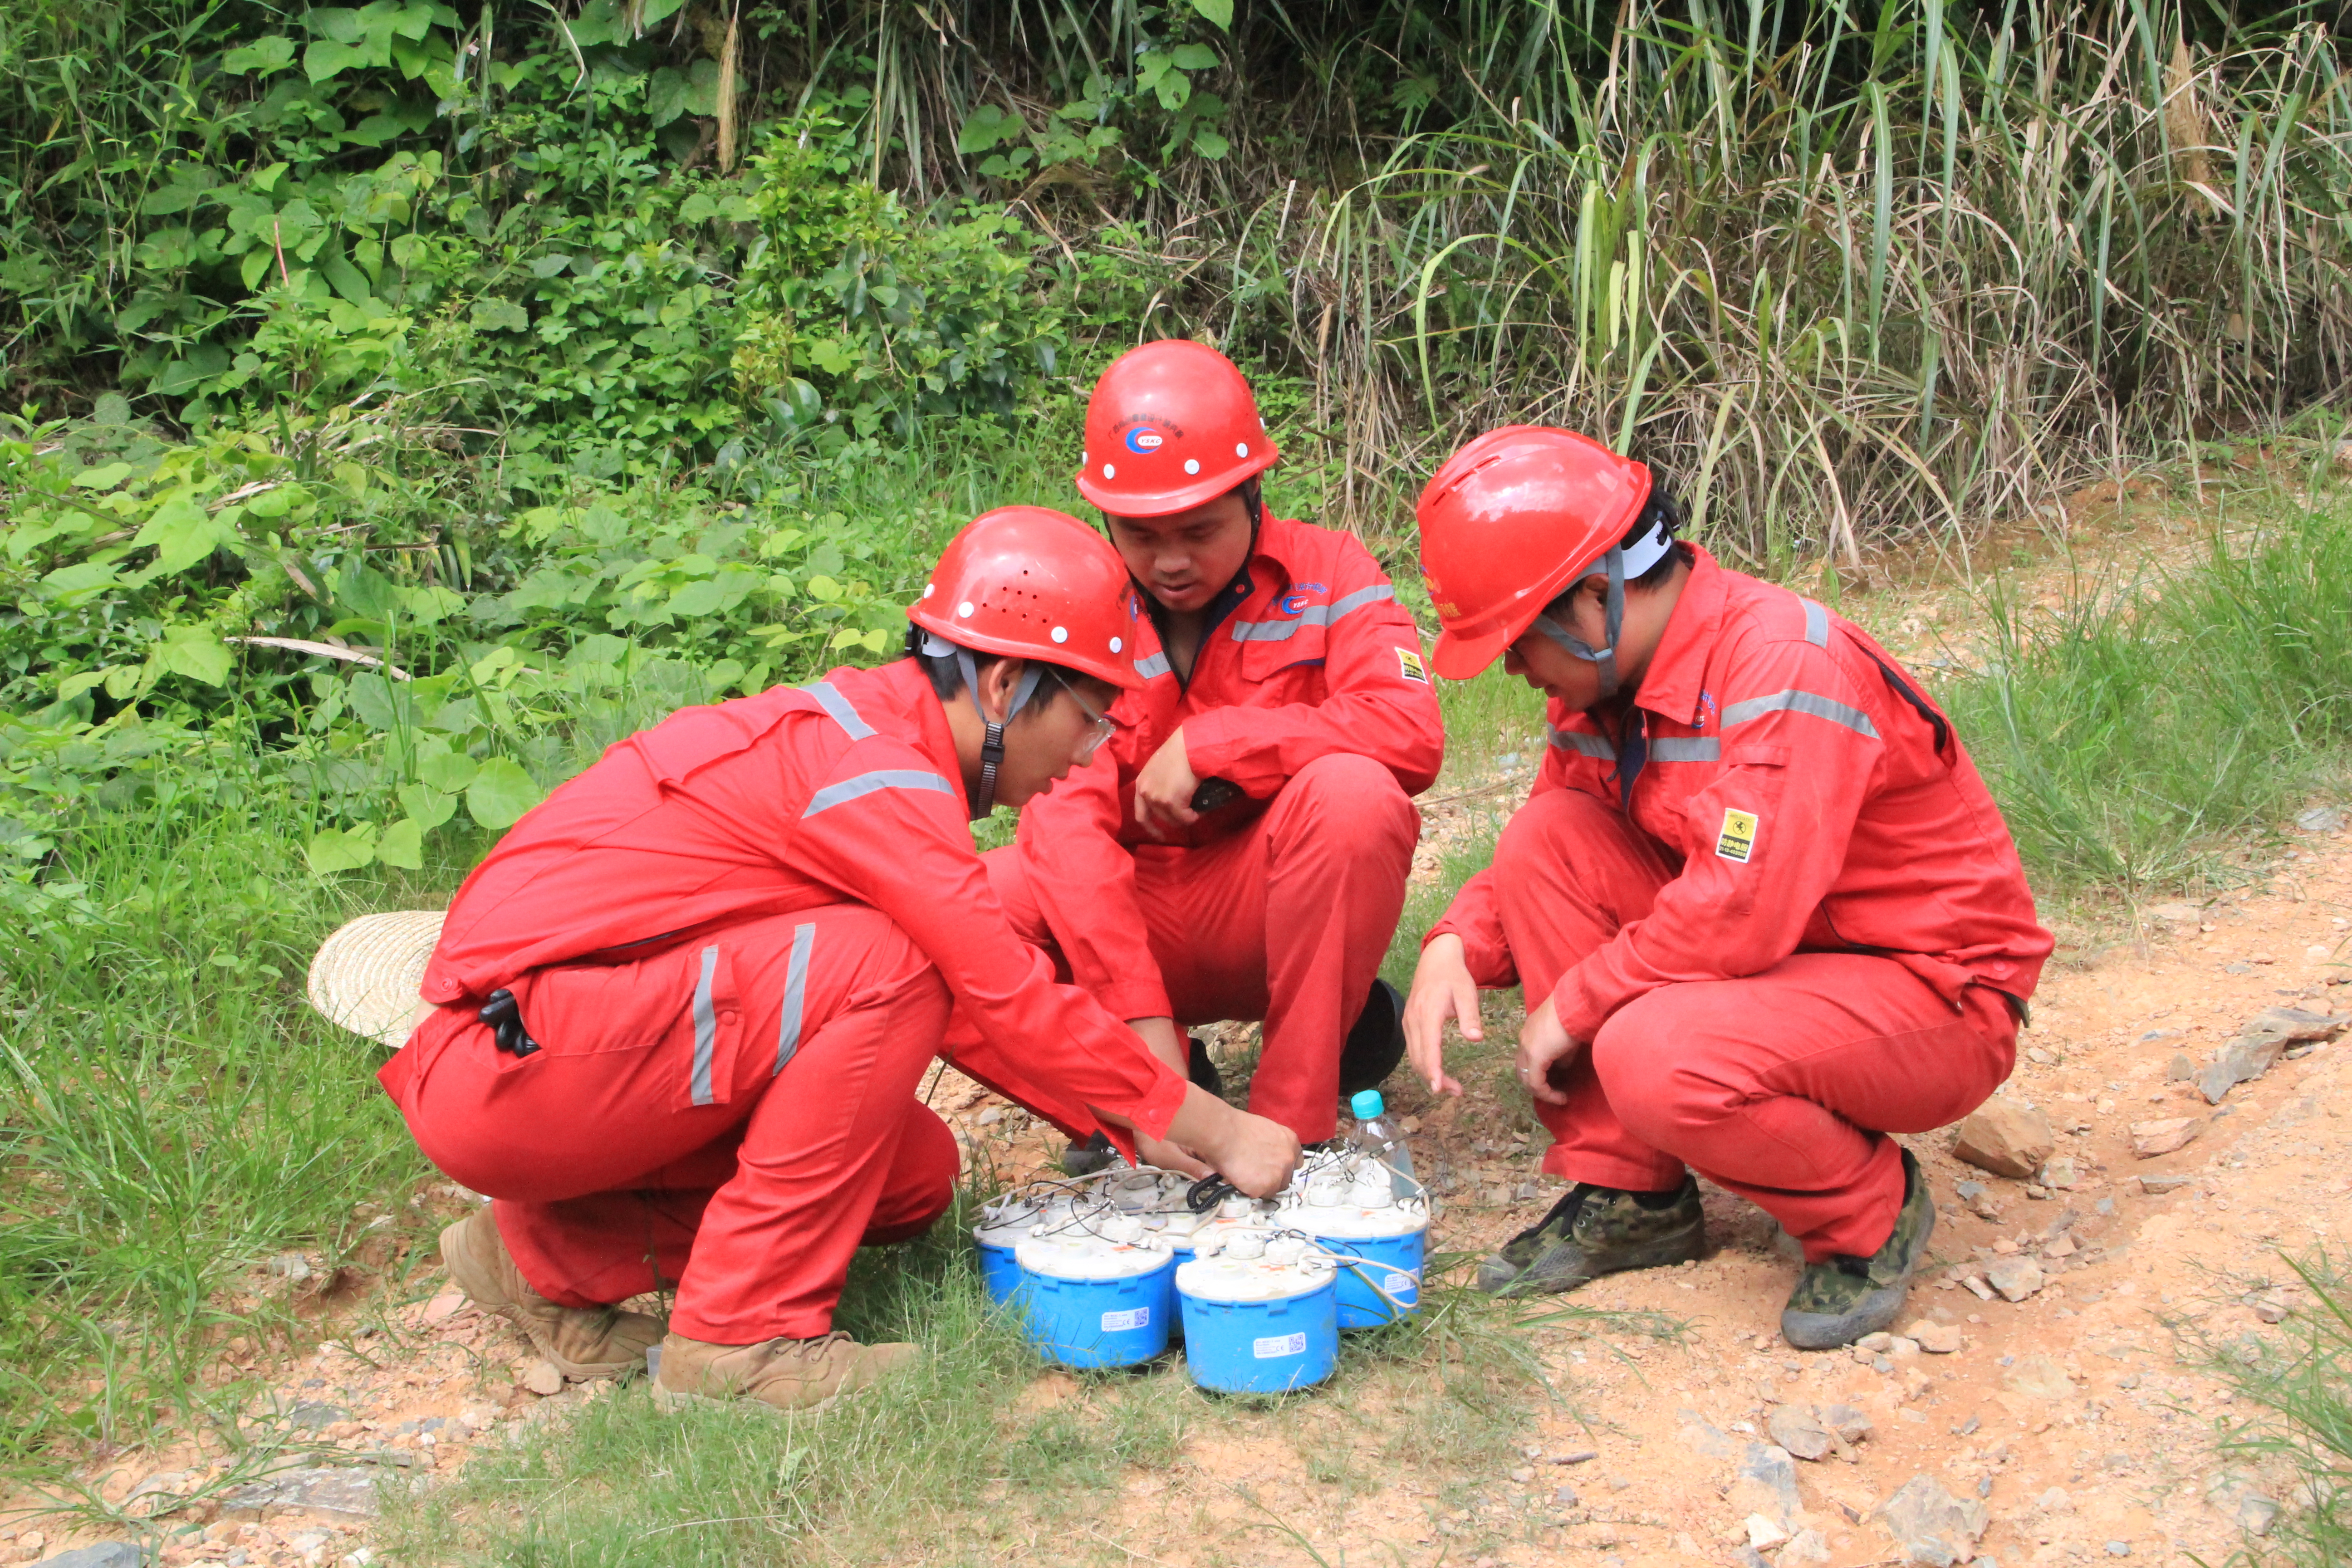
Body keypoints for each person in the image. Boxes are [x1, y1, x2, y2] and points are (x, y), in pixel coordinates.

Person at [377, 507, 1301, 1412]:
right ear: (1005, 684)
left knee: (910, 1180)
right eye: (1093, 719)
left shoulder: (878, 743)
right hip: (511, 1066)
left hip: (554, 1053)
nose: (1093, 753)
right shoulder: (883, 775)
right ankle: (742, 1339)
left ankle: (536, 1257)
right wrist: (1217, 1128)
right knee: (891, 961)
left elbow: (976, 1017)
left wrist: (1120, 1114)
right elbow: (998, 988)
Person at [1401, 427, 2051, 1348]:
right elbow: (1547, 847)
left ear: (1596, 598)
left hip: (1929, 990)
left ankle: (1870, 1214)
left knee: (1650, 1052)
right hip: (1794, 960)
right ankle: (1635, 1195)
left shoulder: (1780, 663)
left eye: (1515, 640)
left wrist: (1576, 1005)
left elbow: (1740, 913)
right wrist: (1453, 943)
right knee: (1549, 837)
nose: (1510, 668)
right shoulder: (1606, 687)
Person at [978, 341, 1446, 1161]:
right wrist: (1145, 1045)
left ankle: (1292, 1120)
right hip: (1134, 915)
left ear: (1253, 494)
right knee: (979, 906)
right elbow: (1063, 828)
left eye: (1199, 530)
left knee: (1354, 797)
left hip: (1269, 898)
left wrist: (1219, 740)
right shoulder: (1076, 606)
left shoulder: (1333, 571)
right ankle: (1137, 1092)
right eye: (1138, 534)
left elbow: (1408, 730)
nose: (1169, 562)